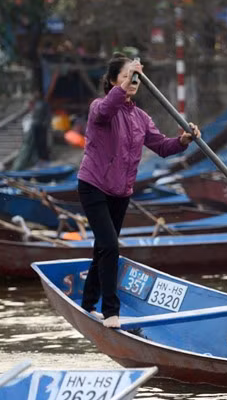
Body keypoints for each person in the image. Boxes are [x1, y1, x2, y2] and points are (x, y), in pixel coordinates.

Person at [78, 54, 200, 328]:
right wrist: (124, 84)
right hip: (94, 184)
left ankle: (88, 302)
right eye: (126, 77)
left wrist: (183, 140)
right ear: (112, 81)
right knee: (110, 246)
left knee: (103, 247)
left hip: (121, 191)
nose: (132, 83)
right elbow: (107, 108)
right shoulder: (100, 107)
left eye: (135, 79)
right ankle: (111, 312)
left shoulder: (141, 117)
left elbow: (161, 146)